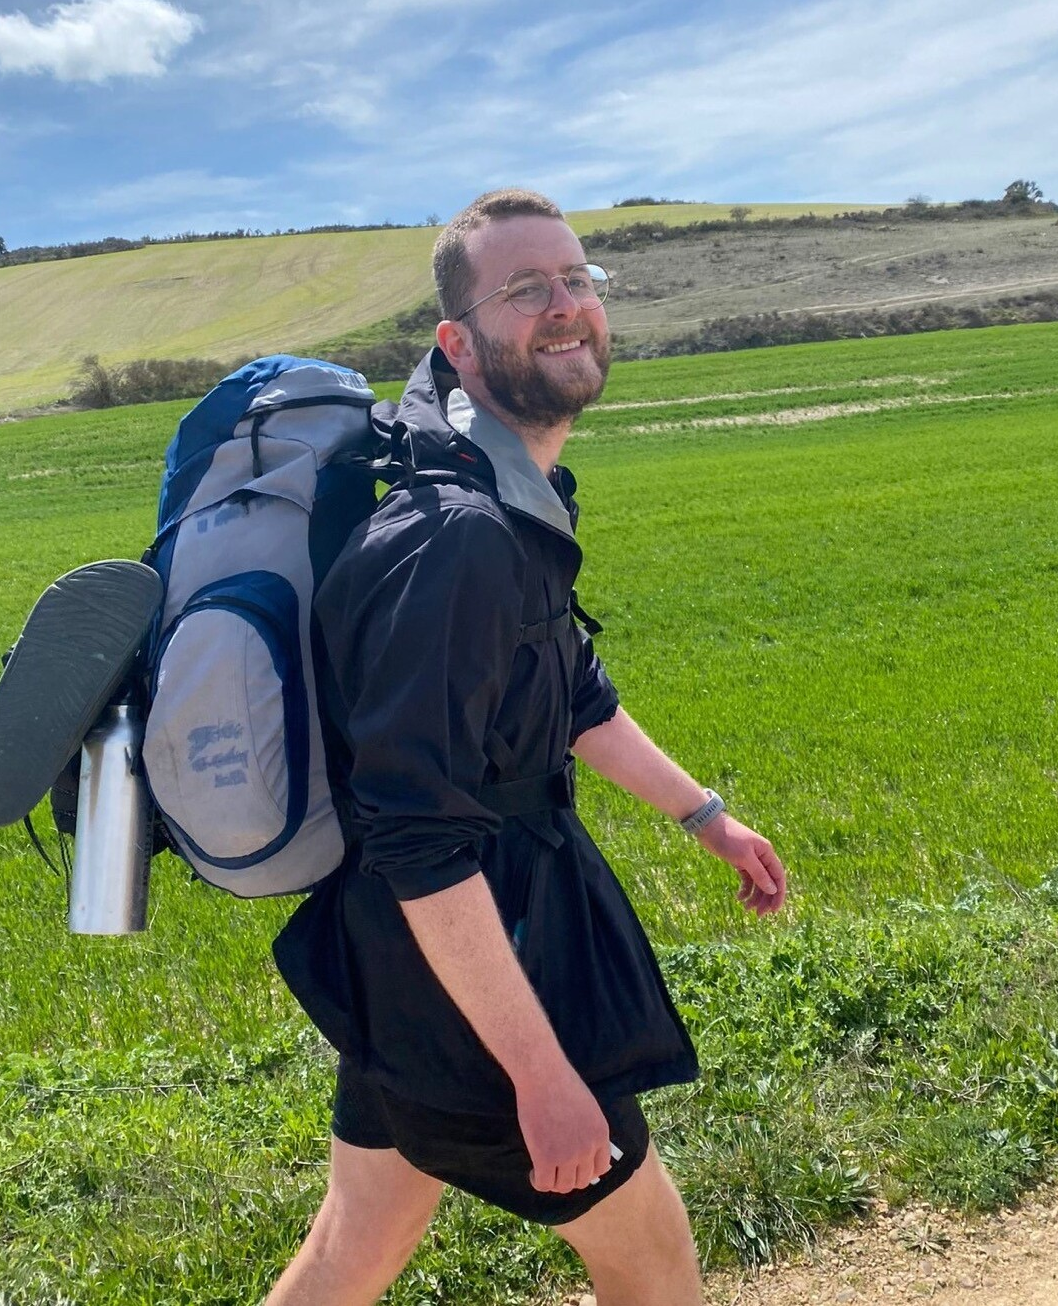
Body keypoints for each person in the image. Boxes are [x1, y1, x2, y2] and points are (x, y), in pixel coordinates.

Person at [267, 189, 787, 1306]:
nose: (566, 307)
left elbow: (566, 688)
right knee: (650, 1260)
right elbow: (418, 833)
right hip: (474, 965)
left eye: (576, 279)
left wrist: (704, 815)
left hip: (412, 963)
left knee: (354, 1246)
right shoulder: (459, 538)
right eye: (525, 289)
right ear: (458, 342)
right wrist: (542, 1075)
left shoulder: (510, 488)